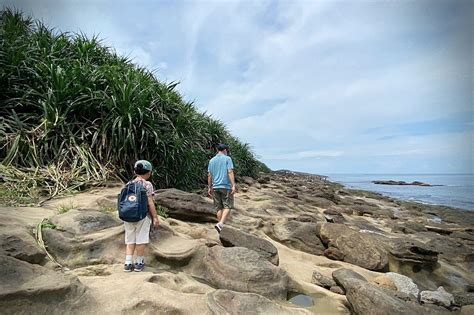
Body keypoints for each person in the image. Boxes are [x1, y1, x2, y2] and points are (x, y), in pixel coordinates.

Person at [123, 160, 160, 272]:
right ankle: (139, 262)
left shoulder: (128, 184)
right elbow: (150, 202)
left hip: (128, 215)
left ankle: (128, 262)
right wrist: (155, 217)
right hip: (142, 216)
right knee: (141, 239)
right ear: (149, 173)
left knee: (130, 239)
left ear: (135, 171)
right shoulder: (147, 184)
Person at [208, 144, 236, 233]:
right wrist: (233, 185)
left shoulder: (211, 160)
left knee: (219, 208)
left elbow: (209, 175)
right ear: (225, 150)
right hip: (225, 186)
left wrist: (209, 187)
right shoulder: (227, 159)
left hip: (215, 186)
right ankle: (220, 224)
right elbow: (230, 171)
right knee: (227, 206)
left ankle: (219, 226)